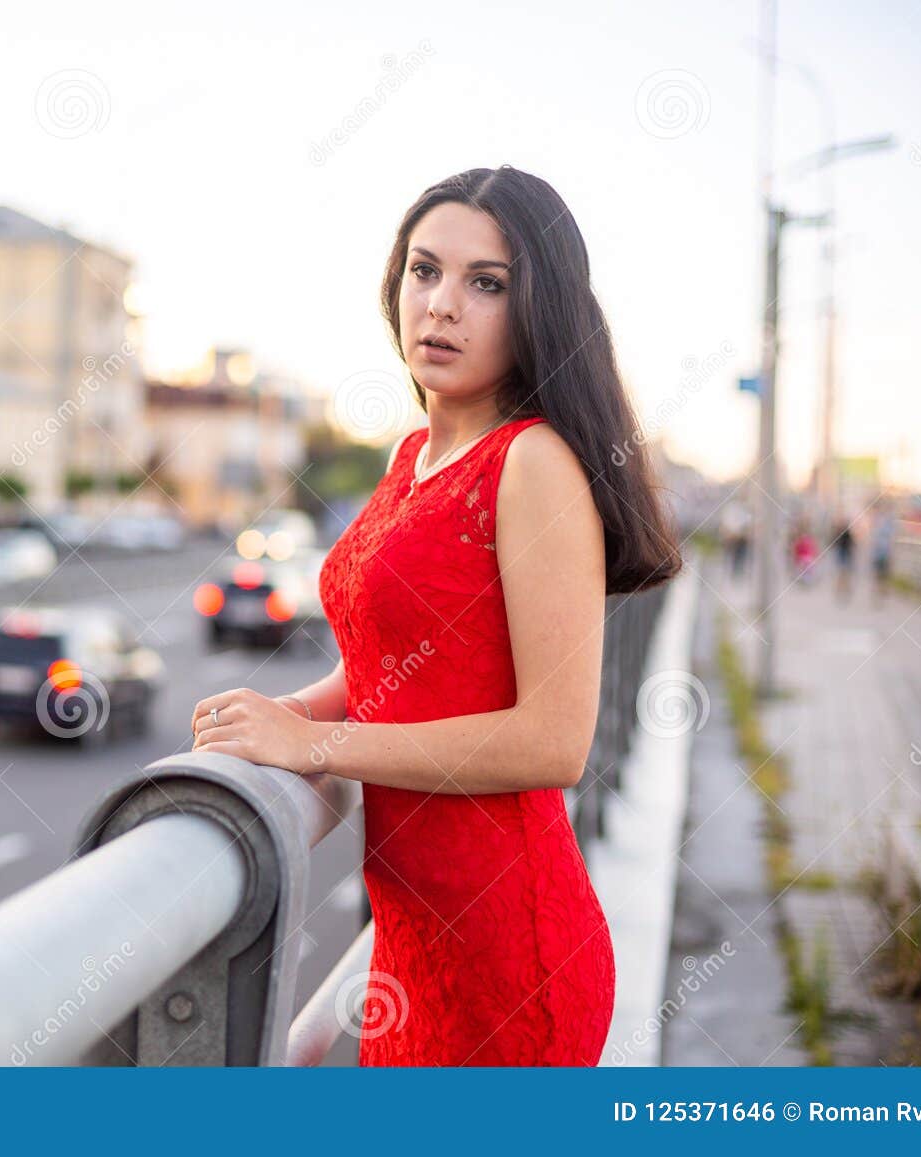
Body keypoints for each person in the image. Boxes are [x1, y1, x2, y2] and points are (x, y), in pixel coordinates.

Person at [189, 166, 680, 1066]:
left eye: (485, 283)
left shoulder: (533, 464)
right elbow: (390, 663)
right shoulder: (413, 453)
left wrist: (315, 750)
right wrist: (283, 717)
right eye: (425, 271)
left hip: (509, 958)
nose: (443, 305)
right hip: (412, 949)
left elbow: (555, 742)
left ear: (538, 309)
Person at [832, 517, 856, 602]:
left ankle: (844, 591)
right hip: (842, 554)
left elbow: (852, 544)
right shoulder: (842, 533)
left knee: (844, 575)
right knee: (842, 574)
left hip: (844, 555)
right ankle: (841, 591)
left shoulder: (846, 533)